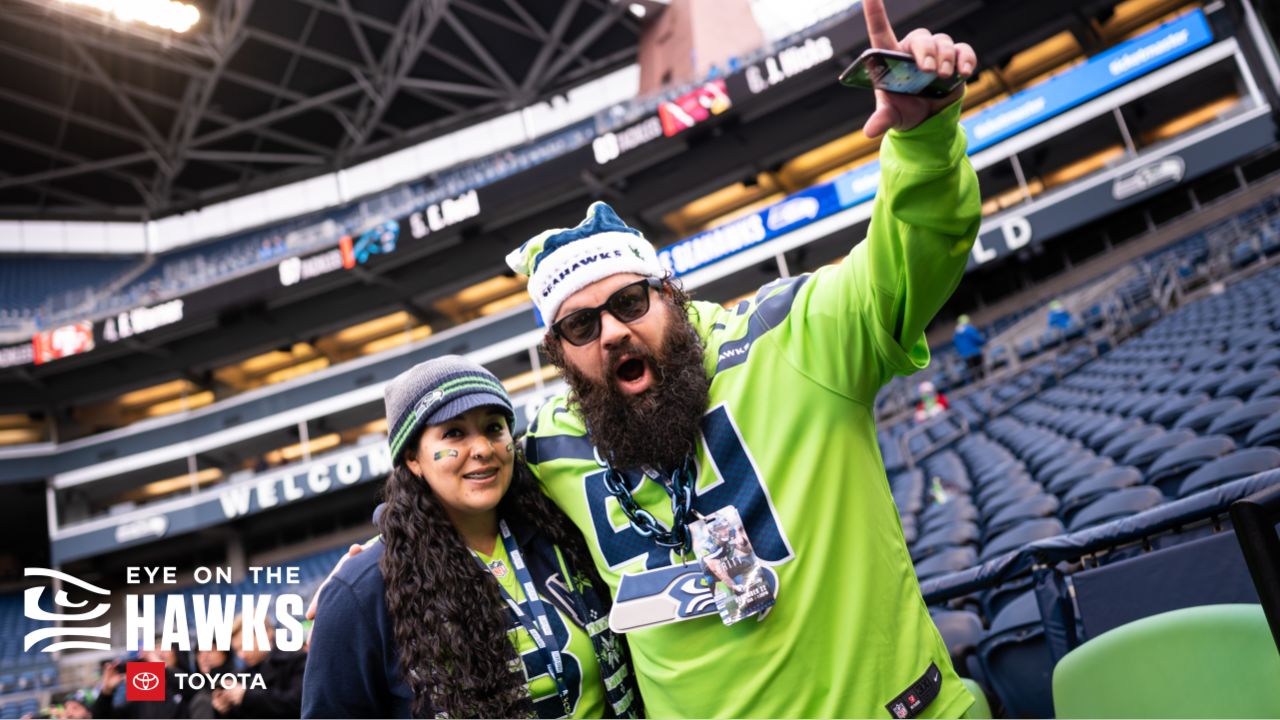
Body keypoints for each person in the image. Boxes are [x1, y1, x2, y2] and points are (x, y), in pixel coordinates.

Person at [319, 0, 979, 714]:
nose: (610, 334)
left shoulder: (797, 341)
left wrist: (923, 141)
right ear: (559, 352)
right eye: (579, 326)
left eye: (631, 303)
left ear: (671, 294)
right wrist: (370, 571)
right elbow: (453, 477)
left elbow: (916, 249)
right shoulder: (549, 442)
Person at [303, 356, 639, 719]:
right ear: (413, 457)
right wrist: (351, 586)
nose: (482, 449)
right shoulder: (364, 590)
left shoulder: (562, 527)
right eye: (454, 433)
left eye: (494, 428)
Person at [211, 617, 306, 718]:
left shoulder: (297, 660)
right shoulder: (244, 673)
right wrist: (225, 709)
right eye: (237, 650)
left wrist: (246, 696)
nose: (241, 655)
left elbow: (298, 704)